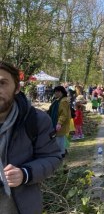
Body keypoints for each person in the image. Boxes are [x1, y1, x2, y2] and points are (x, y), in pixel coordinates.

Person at [0, 61, 62, 213]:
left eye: (2, 83)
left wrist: (25, 173)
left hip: (18, 206)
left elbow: (53, 157)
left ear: (17, 88)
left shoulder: (35, 120)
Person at [47, 86, 71, 158]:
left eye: (56, 92)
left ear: (60, 92)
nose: (55, 93)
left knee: (59, 138)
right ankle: (62, 152)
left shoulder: (63, 101)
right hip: (58, 122)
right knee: (60, 138)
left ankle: (61, 154)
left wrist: (59, 123)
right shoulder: (58, 100)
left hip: (60, 123)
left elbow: (63, 114)